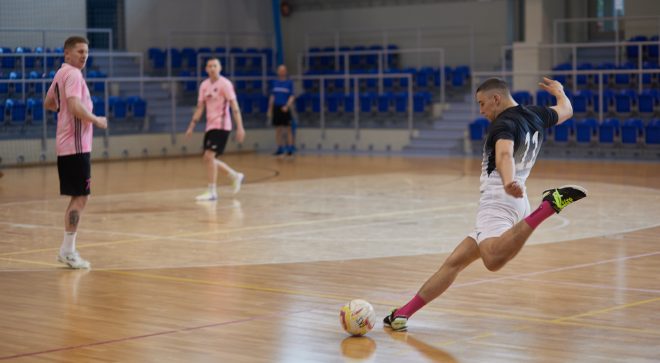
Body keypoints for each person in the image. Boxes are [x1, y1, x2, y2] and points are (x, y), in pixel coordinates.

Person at [383, 77, 587, 332]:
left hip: (498, 199)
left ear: (496, 99)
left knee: (492, 259)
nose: (481, 111)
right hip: (515, 200)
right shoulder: (536, 114)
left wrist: (509, 179)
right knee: (454, 262)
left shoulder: (503, 124)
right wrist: (560, 92)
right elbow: (566, 111)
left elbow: (503, 154)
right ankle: (402, 314)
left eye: (482, 104)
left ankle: (547, 207)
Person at [43, 36, 108, 269]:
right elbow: (74, 106)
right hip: (76, 146)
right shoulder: (73, 74)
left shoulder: (61, 73)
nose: (84, 55)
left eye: (86, 52)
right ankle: (67, 252)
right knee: (80, 198)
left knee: (78, 197)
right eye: (80, 51)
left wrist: (66, 116)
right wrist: (96, 120)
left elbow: (49, 102)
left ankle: (67, 250)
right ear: (67, 54)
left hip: (67, 146)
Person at [186, 57, 245, 201]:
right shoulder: (204, 85)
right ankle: (235, 175)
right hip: (210, 126)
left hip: (222, 125)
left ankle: (212, 191)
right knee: (209, 159)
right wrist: (191, 126)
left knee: (209, 157)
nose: (212, 68)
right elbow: (200, 108)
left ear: (220, 68)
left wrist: (240, 127)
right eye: (209, 66)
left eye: (215, 66)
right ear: (206, 69)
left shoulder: (225, 84)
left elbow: (234, 107)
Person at [268, 64, 296, 156]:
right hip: (276, 107)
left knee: (288, 129)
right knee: (278, 129)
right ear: (278, 72)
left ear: (286, 72)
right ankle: (280, 148)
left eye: (283, 70)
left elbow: (292, 96)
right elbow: (272, 96)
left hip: (285, 108)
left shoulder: (289, 83)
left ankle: (290, 148)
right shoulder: (274, 82)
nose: (281, 72)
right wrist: (270, 109)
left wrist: (287, 106)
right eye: (280, 70)